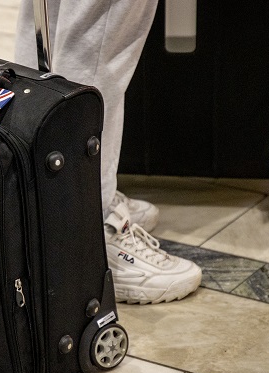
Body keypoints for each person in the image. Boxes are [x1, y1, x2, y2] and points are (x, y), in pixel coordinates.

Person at [15, 0, 202, 304]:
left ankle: (40, 202)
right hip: (81, 219)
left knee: (51, 13)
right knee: (102, 23)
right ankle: (90, 225)